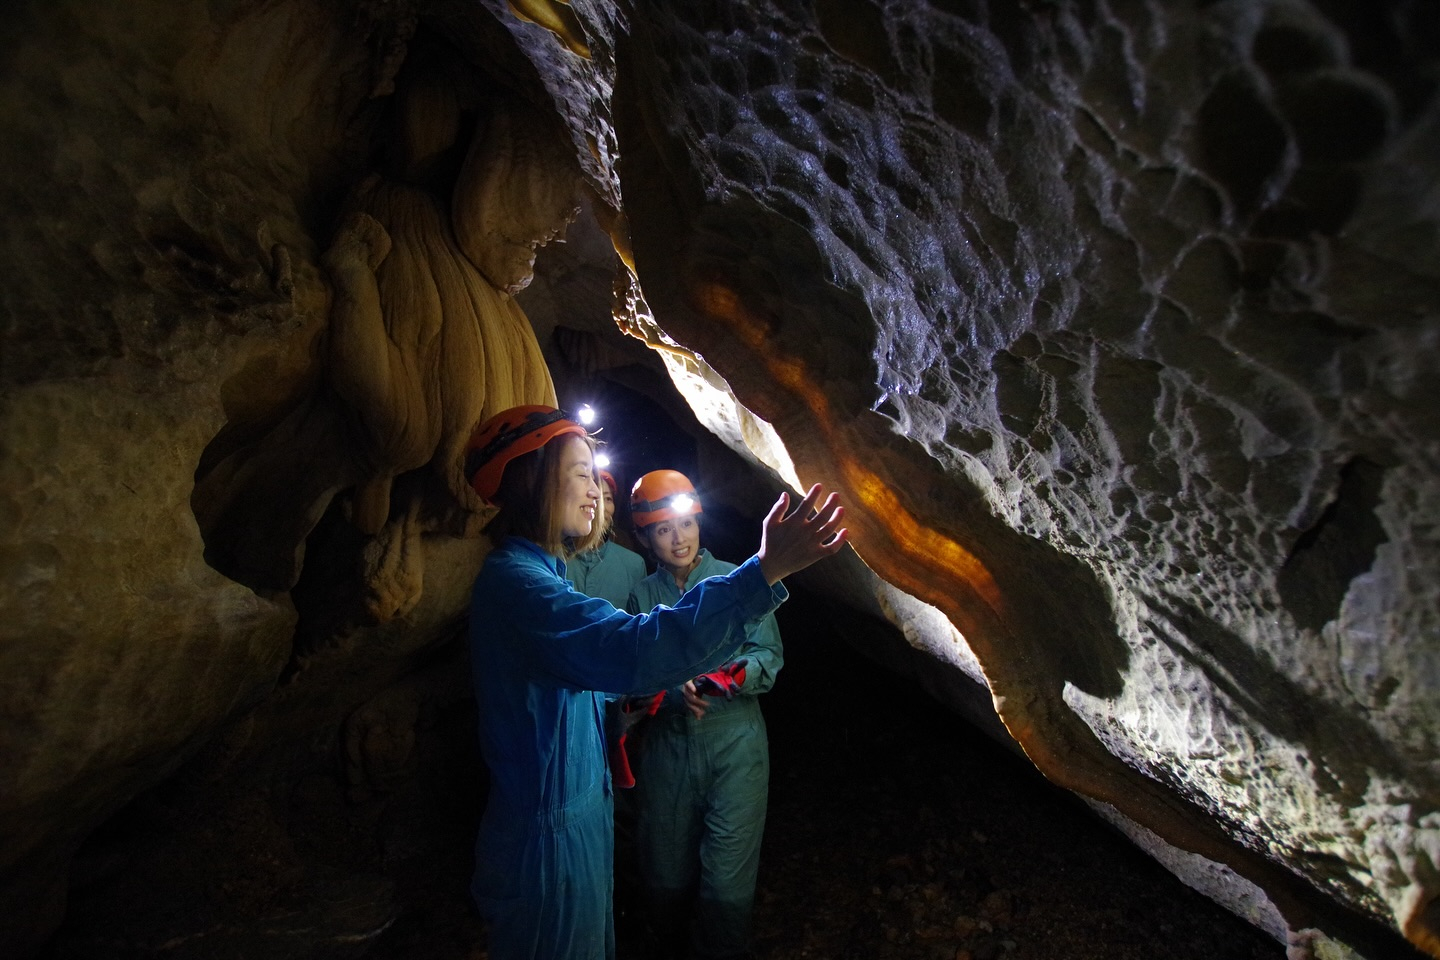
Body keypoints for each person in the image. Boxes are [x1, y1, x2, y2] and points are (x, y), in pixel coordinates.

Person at [463, 405, 847, 960]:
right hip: (548, 841)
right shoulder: (522, 588)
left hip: (600, 808)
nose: (595, 489)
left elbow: (595, 694)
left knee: (721, 882)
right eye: (579, 472)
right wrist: (763, 573)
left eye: (595, 474)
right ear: (534, 478)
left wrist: (638, 706)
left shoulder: (546, 578)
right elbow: (635, 650)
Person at [624, 470, 783, 960]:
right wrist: (671, 693)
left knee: (726, 881)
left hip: (735, 746)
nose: (679, 538)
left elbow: (767, 657)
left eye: (686, 524)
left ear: (698, 522)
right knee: (664, 877)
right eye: (665, 530)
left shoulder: (739, 580)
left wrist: (727, 678)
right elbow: (633, 672)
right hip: (668, 749)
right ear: (647, 538)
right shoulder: (642, 597)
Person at [564, 470, 647, 608]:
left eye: (608, 499)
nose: (601, 507)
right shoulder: (553, 559)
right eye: (595, 498)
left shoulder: (634, 565)